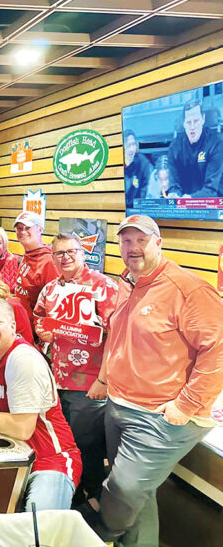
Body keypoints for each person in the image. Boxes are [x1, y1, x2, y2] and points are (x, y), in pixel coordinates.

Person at [86, 215, 223, 546]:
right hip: (120, 405)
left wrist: (186, 404)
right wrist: (105, 379)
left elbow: (217, 349)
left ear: (158, 243)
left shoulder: (187, 289)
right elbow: (118, 335)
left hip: (159, 416)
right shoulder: (128, 281)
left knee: (125, 487)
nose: (133, 248)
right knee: (139, 496)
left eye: (141, 240)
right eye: (126, 241)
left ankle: (94, 533)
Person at [0, 296, 82, 511]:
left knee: (38, 527)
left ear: (12, 326)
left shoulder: (22, 360)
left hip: (48, 459)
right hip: (8, 454)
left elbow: (22, 428)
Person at [32, 233, 118, 504]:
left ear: (83, 253)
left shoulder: (104, 287)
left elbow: (117, 335)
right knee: (65, 444)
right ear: (53, 257)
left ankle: (90, 498)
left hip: (89, 383)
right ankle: (67, 494)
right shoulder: (50, 289)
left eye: (72, 251)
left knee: (87, 444)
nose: (66, 257)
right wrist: (42, 332)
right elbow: (39, 318)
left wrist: (104, 380)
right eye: (59, 253)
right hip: (56, 380)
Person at [166, 99, 223, 198]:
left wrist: (191, 199)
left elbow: (212, 189)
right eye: (188, 122)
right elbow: (174, 184)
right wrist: (174, 194)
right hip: (184, 206)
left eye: (196, 121)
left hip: (213, 205)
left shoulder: (216, 143)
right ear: (183, 123)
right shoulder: (174, 148)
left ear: (203, 119)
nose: (192, 127)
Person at [13, 211, 59, 323]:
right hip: (22, 322)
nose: (23, 232)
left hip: (35, 329)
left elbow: (54, 302)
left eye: (27, 228)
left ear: (40, 230)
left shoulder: (49, 261)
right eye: (19, 228)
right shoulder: (27, 255)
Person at [123, 130, 151, 207]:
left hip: (137, 208)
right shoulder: (118, 162)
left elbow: (145, 190)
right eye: (128, 145)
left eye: (133, 144)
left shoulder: (144, 163)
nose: (132, 149)